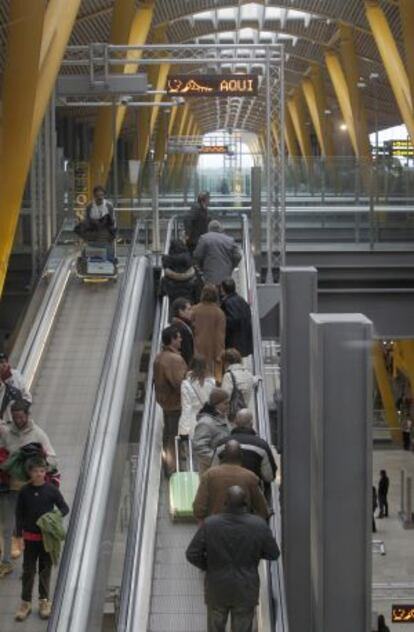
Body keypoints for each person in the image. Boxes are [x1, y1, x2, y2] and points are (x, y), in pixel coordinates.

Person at [186, 485, 280, 632]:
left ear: (225, 502)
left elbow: (192, 553)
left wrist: (208, 566)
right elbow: (273, 553)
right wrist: (255, 554)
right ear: (245, 503)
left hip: (216, 588)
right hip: (246, 589)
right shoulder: (258, 525)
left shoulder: (211, 524)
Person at [0, 400, 57, 578]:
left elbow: (53, 459)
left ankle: (34, 565)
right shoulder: (8, 433)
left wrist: (40, 464)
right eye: (15, 417)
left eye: (21, 417)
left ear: (27, 415)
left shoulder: (38, 434)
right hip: (11, 488)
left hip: (32, 491)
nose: (18, 420)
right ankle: (6, 562)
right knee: (7, 527)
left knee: (33, 529)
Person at [14, 456, 69, 621]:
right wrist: (19, 536)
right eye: (36, 471)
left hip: (47, 539)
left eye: (42, 471)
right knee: (28, 571)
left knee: (45, 570)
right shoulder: (24, 491)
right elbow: (19, 514)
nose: (39, 474)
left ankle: (44, 601)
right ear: (29, 472)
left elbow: (64, 508)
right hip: (29, 539)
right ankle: (25, 603)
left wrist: (53, 517)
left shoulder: (51, 489)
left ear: (45, 472)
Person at [193, 441, 269, 522]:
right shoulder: (250, 477)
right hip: (243, 526)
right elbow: (262, 509)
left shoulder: (209, 475)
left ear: (223, 455)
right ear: (241, 456)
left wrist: (203, 521)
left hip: (215, 526)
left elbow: (199, 507)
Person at [153, 325, 187, 477]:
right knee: (173, 435)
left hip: (165, 402)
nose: (181, 339)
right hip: (175, 403)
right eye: (178, 337)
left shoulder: (160, 357)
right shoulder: (175, 359)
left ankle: (168, 463)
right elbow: (180, 383)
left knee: (168, 434)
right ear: (172, 339)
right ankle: (172, 467)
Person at [213, 409, 277, 485]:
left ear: (235, 423)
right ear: (251, 423)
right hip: (253, 492)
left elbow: (213, 471)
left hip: (226, 491)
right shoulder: (261, 445)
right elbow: (269, 477)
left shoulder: (221, 444)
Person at [192, 284, 226, 381]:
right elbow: (220, 335)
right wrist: (219, 354)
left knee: (196, 372)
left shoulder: (194, 309)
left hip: (196, 344)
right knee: (209, 374)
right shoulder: (219, 313)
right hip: (212, 347)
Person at [193, 388, 231, 475]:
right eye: (225, 403)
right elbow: (199, 447)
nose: (228, 406)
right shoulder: (206, 422)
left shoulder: (222, 417)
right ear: (216, 404)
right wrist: (217, 461)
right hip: (211, 472)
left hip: (221, 469)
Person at [193, 220, 242, 286]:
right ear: (220, 229)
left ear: (209, 228)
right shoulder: (230, 240)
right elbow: (238, 256)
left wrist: (201, 268)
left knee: (211, 294)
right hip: (226, 277)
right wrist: (231, 266)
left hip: (209, 276)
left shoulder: (204, 238)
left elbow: (197, 256)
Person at [178, 356, 215, 439]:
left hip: (193, 420)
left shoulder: (186, 384)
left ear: (191, 366)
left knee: (195, 447)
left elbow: (186, 407)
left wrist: (183, 430)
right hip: (209, 418)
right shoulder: (212, 382)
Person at [160, 240, 204, 309]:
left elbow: (161, 294)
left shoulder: (166, 278)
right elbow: (199, 296)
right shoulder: (194, 276)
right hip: (190, 309)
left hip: (173, 309)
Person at [220, 278, 253, 357]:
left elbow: (233, 320)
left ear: (223, 289)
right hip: (245, 340)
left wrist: (221, 323)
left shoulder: (228, 303)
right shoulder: (242, 301)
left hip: (233, 341)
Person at [0, 352, 32, 423]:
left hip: (16, 419)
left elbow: (27, 396)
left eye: (5, 361)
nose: (3, 365)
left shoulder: (16, 375)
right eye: (1, 362)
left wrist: (21, 410)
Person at [170, 298, 194, 366]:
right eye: (189, 309)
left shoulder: (176, 324)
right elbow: (186, 352)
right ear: (180, 311)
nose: (191, 312)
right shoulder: (182, 328)